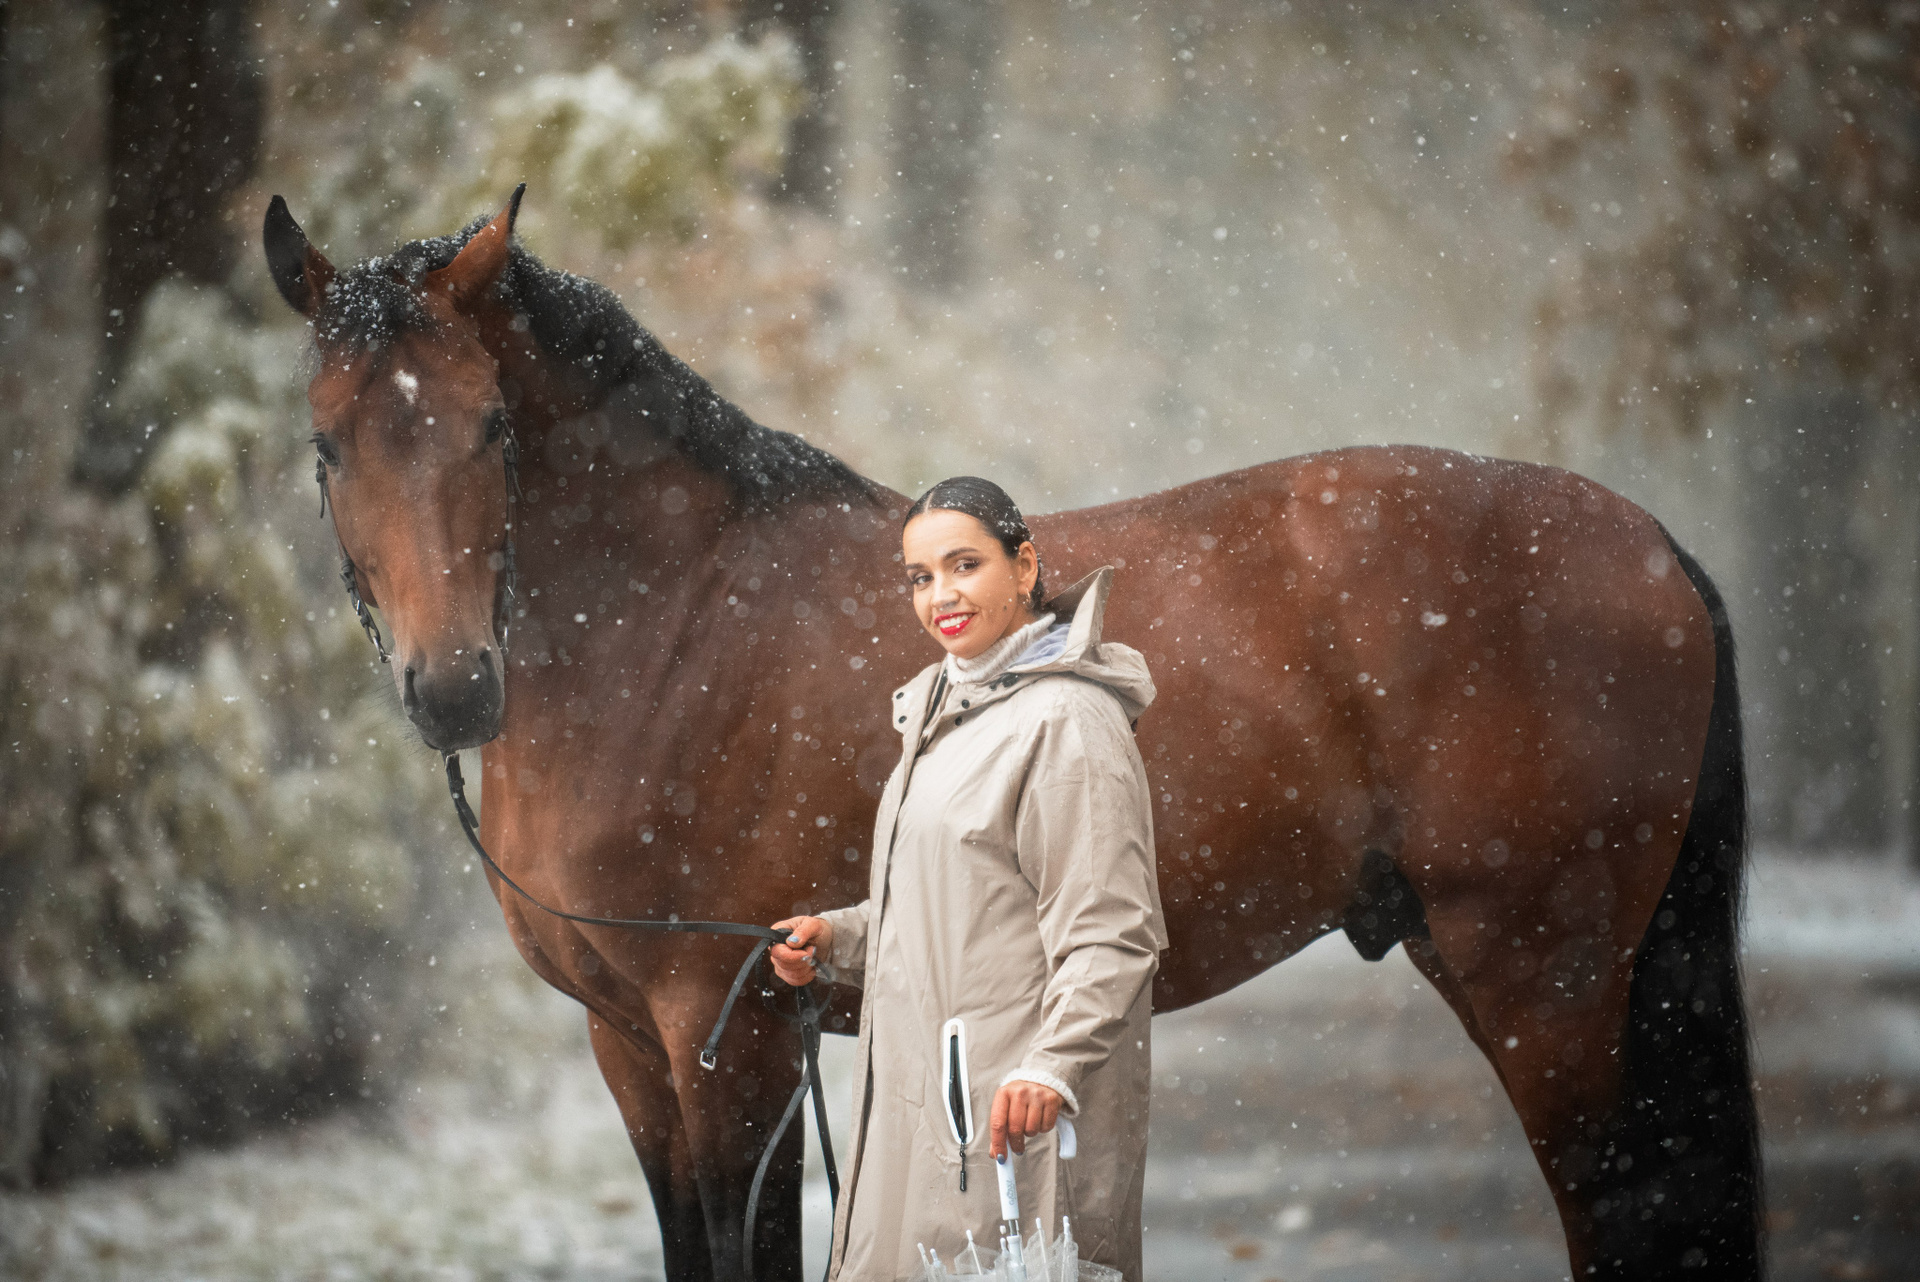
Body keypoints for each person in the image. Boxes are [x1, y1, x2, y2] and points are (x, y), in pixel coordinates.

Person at [771, 477, 1166, 1281]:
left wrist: (1052, 1066)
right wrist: (841, 937)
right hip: (925, 1114)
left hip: (1009, 1119)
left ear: (1024, 567)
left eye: (964, 565)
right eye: (920, 577)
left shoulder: (1065, 721)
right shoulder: (946, 712)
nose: (940, 596)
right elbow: (959, 900)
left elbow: (1113, 932)